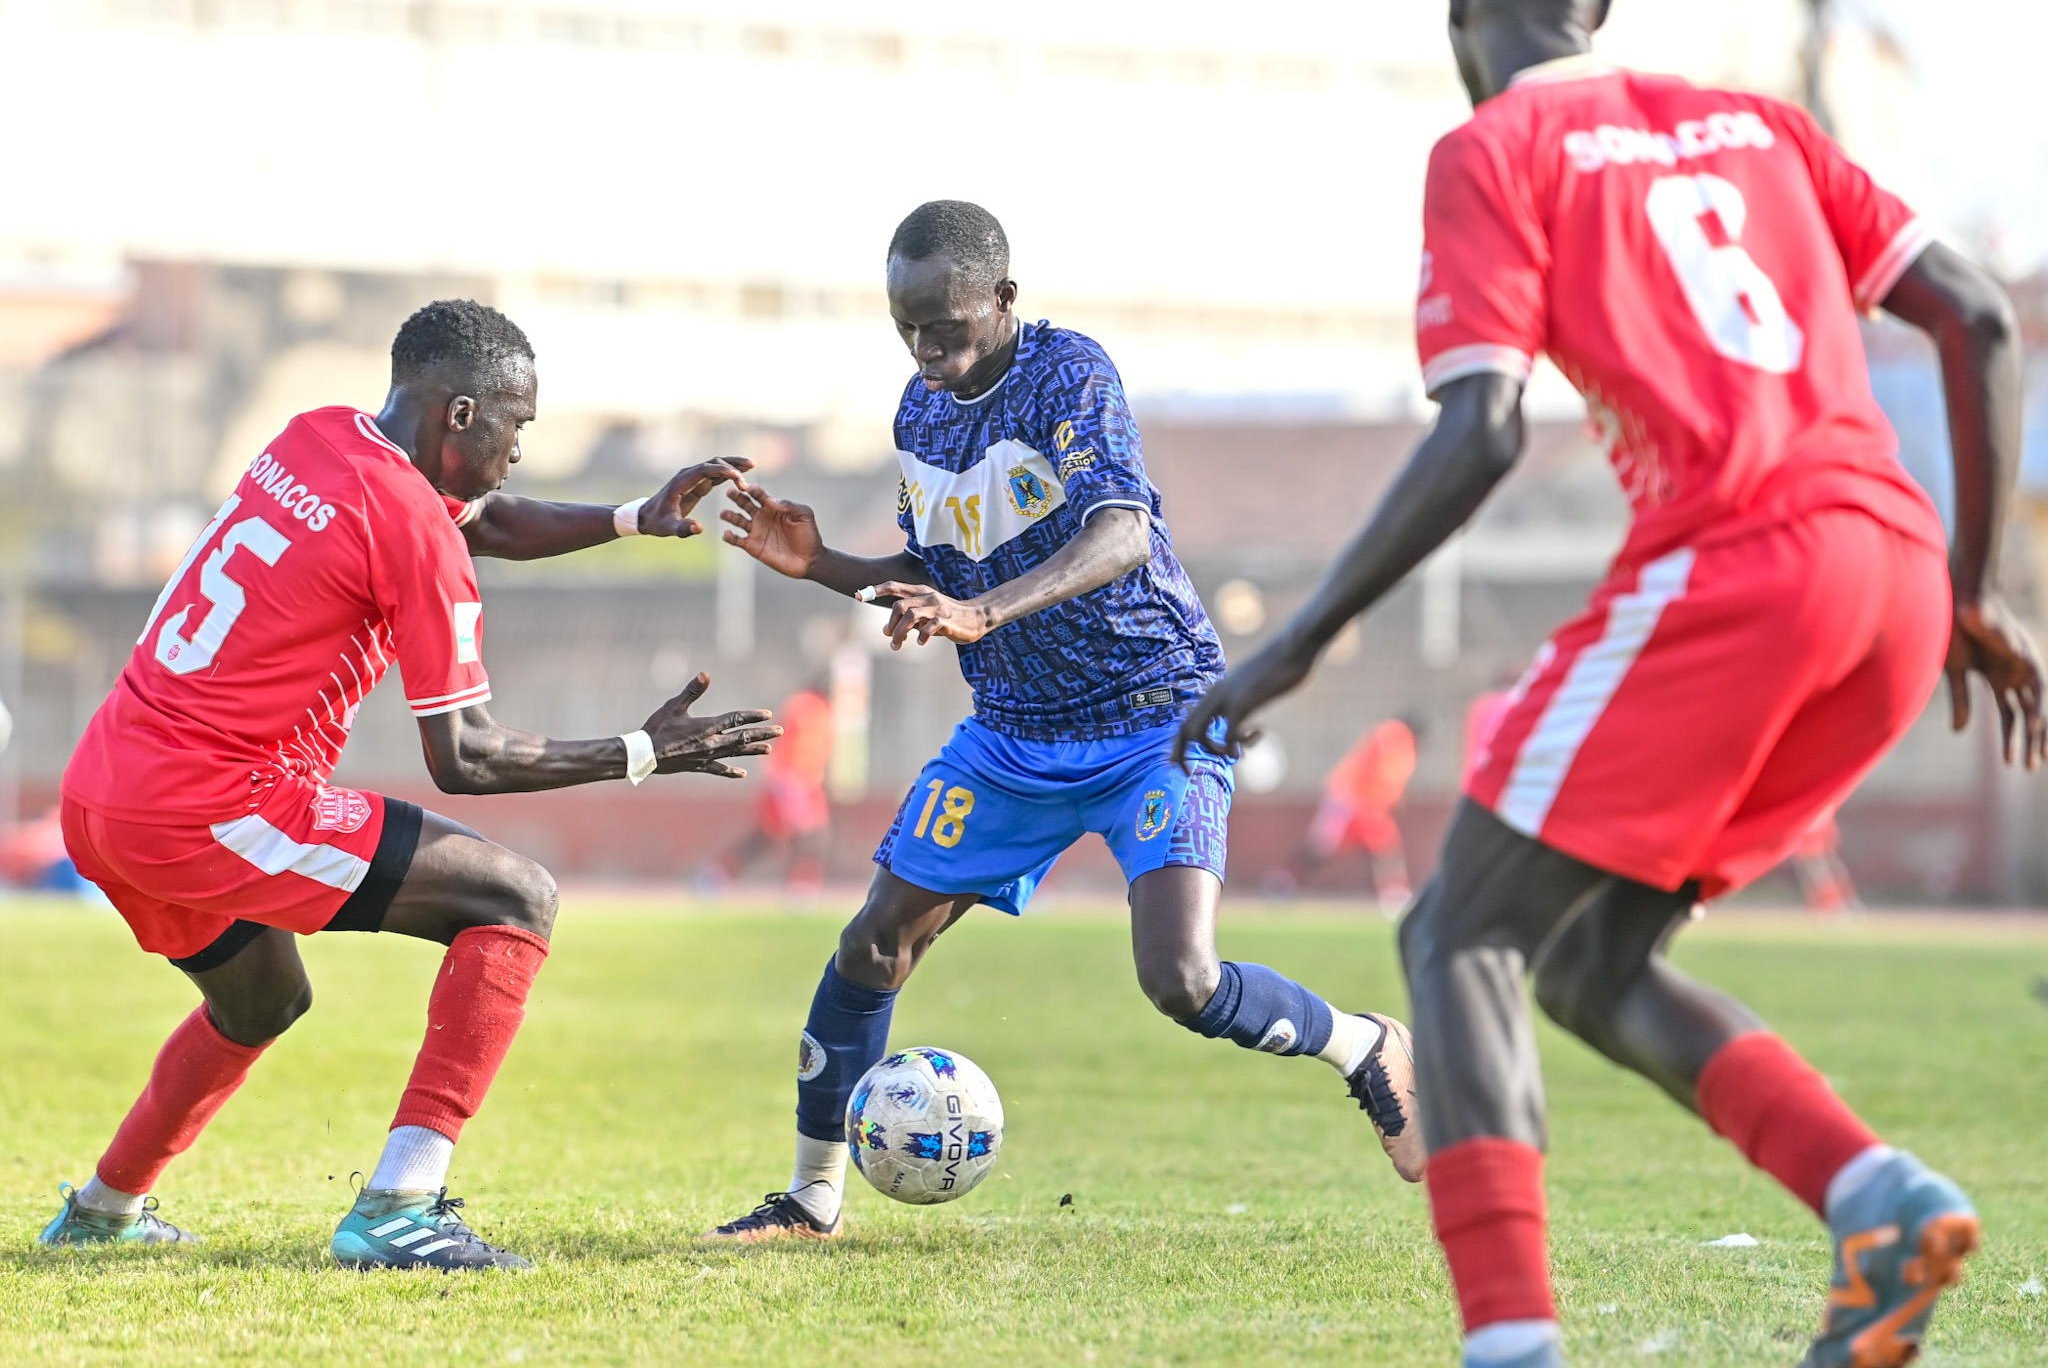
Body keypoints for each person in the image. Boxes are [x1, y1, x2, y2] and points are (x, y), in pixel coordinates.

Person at [1179, 0, 2044, 1368]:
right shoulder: (1757, 125)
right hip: (1899, 577)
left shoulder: (1493, 147)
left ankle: (1511, 1363)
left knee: (1455, 936)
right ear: (1606, 10)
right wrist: (1976, 591)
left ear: (1464, 11)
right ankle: (1882, 1195)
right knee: (1587, 956)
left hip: (1741, 566)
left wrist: (1301, 638)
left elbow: (1485, 425)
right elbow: (1979, 317)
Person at [704, 200, 1422, 1242]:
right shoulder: (920, 412)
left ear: (1001, 300)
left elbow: (1120, 532)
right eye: (905, 328)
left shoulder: (1067, 375)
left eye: (943, 329)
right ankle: (812, 1199)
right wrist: (824, 568)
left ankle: (1361, 1046)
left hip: (1158, 713)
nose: (924, 351)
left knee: (1180, 980)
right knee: (870, 946)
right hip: (1012, 731)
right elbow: (936, 574)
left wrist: (981, 612)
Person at [47, 299, 781, 1270]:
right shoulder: (409, 524)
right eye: (517, 425)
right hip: (207, 801)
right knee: (516, 899)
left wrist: (626, 518)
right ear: (463, 416)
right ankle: (400, 1206)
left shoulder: (316, 437)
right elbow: (465, 755)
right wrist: (640, 752)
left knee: (260, 1001)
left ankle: (103, 1210)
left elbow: (480, 518)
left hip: (103, 784)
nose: (521, 448)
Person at [704, 683, 835, 894]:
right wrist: (788, 783)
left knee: (773, 837)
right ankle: (800, 886)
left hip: (805, 783)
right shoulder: (806, 707)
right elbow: (793, 747)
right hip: (792, 782)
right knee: (802, 836)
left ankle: (719, 874)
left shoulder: (821, 710)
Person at [1294, 715, 1421, 912]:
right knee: (1321, 847)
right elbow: (1384, 771)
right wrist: (1390, 799)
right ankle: (1284, 882)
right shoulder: (1394, 734)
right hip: (1350, 799)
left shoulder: (1397, 738)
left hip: (1364, 802)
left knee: (1384, 846)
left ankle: (1394, 894)